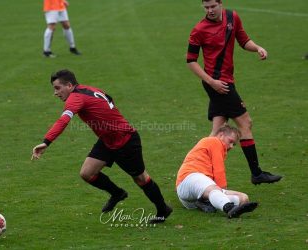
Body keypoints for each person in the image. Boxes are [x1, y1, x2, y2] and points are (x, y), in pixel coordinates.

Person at [31, 69, 172, 223]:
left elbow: (63, 121)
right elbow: (109, 99)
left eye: (57, 88)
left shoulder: (75, 98)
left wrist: (46, 142)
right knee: (87, 173)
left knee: (141, 178)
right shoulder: (89, 89)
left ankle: (163, 209)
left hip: (125, 141)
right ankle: (117, 193)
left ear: (70, 85)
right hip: (107, 140)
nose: (55, 93)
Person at [186, 0, 282, 185]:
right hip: (218, 84)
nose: (210, 10)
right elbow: (191, 60)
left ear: (220, 3)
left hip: (224, 81)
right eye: (206, 7)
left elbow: (243, 40)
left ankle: (195, 174)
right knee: (245, 122)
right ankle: (256, 173)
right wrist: (212, 82)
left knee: (216, 131)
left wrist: (257, 48)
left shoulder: (232, 17)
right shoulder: (199, 30)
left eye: (213, 6)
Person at [176, 125, 258, 218]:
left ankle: (205, 202)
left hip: (190, 199)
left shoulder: (212, 145)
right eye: (230, 141)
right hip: (190, 179)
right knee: (215, 191)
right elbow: (219, 170)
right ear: (221, 135)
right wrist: (223, 190)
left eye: (234, 144)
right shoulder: (214, 141)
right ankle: (229, 208)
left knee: (243, 198)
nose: (231, 146)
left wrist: (221, 193)